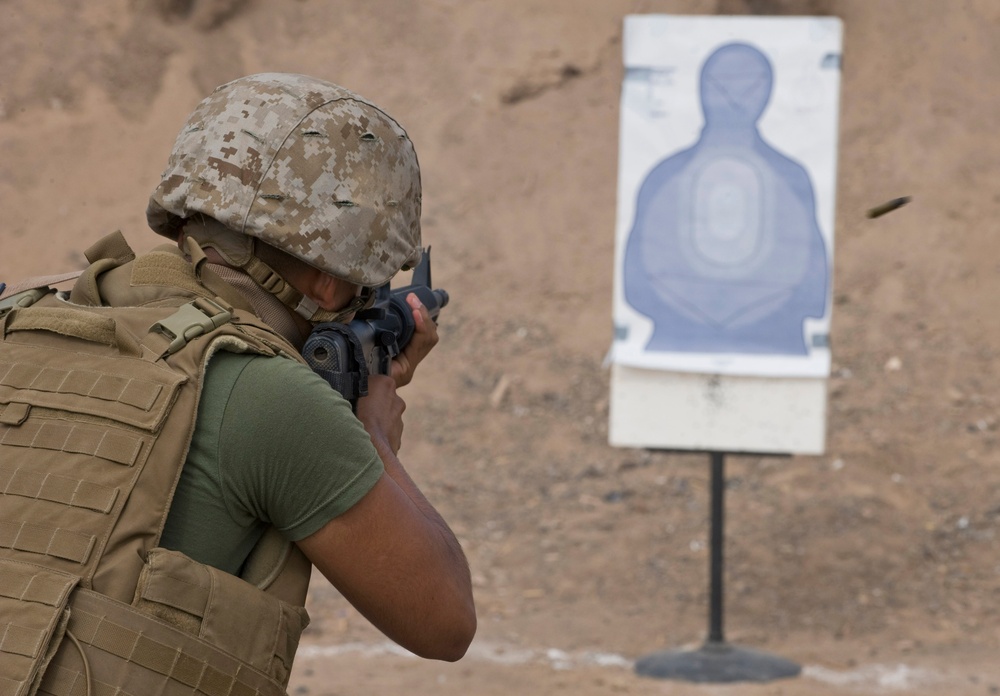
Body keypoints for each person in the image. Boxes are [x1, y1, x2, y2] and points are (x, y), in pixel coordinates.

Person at [0, 73, 475, 696]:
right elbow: (444, 622)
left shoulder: (22, 319)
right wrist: (375, 439)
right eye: (368, 285)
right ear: (331, 281)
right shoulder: (267, 397)